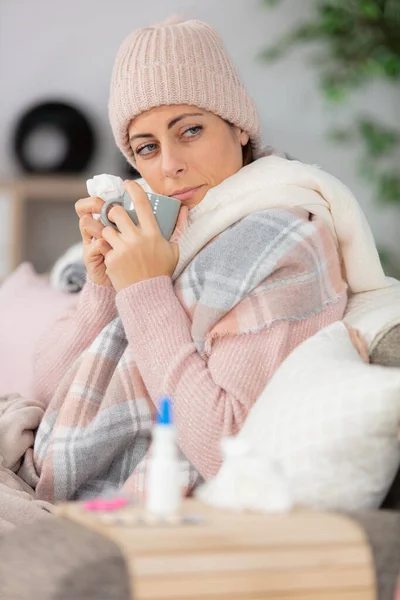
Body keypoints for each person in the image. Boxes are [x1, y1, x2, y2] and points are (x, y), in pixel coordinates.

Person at [31, 18, 383, 503]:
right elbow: (49, 391)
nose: (170, 164)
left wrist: (144, 291)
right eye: (147, 147)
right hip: (43, 470)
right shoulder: (171, 227)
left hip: (132, 505)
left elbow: (223, 445)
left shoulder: (282, 241)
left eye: (190, 130)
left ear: (239, 126)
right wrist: (104, 285)